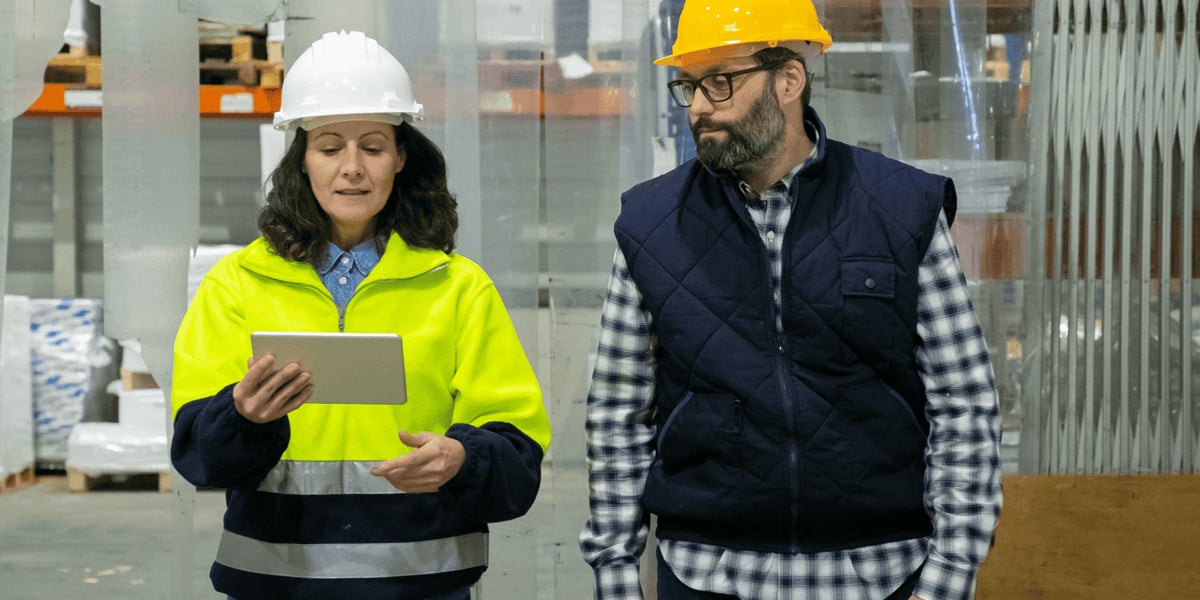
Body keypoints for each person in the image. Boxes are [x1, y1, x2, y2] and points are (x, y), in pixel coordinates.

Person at [580, 2, 1002, 599]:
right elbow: (618, 413)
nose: (697, 106)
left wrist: (950, 576)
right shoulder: (651, 224)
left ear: (788, 79)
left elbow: (963, 401)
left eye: (719, 82)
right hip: (707, 573)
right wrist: (616, 573)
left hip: (878, 573)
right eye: (689, 85)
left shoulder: (900, 207)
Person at [170, 30, 551, 600]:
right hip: (276, 585)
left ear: (401, 157)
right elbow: (197, 455)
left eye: (372, 148)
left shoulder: (459, 289)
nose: (352, 168)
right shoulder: (237, 285)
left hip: (423, 585)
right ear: (302, 160)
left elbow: (517, 454)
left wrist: (462, 459)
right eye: (330, 148)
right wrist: (242, 416)